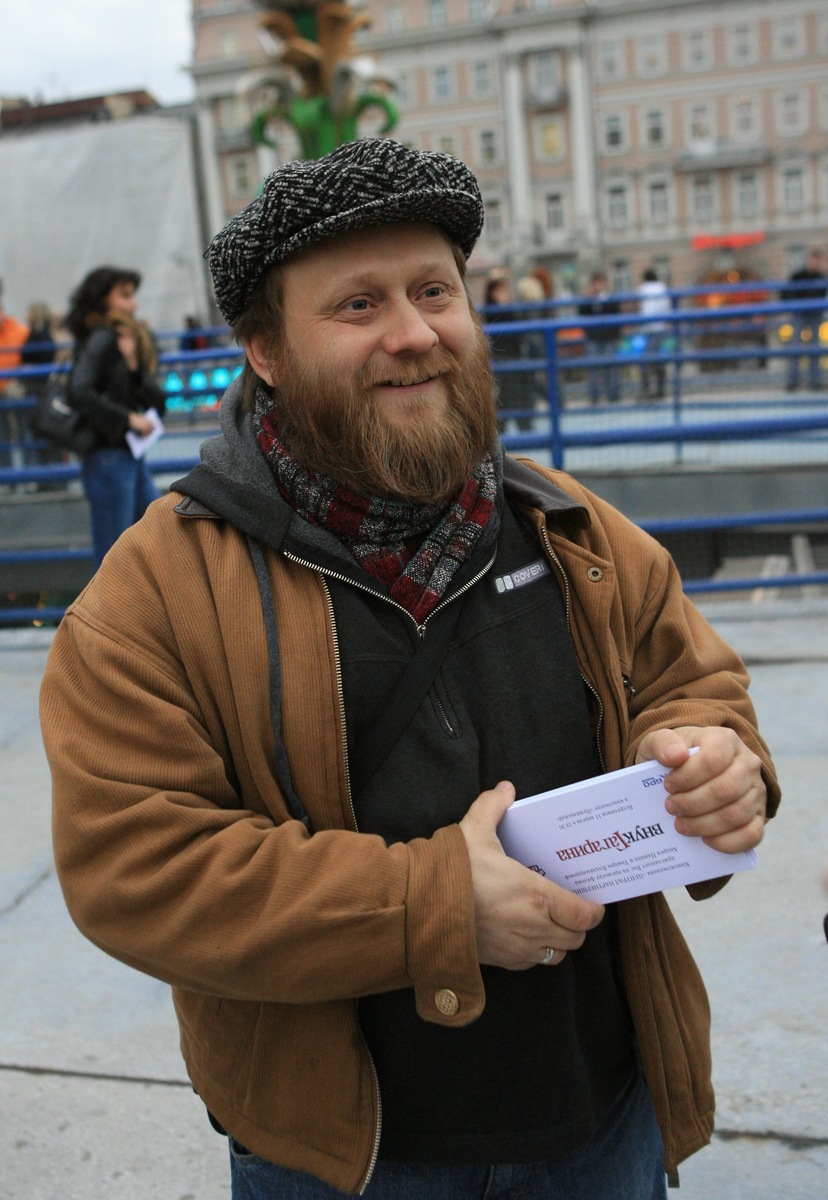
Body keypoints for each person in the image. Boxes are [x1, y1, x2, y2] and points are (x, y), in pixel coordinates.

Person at [41, 139, 779, 1200]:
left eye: (435, 291)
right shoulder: (154, 593)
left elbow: (691, 681)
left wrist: (716, 759)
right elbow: (133, 866)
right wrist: (428, 908)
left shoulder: (569, 524)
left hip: (603, 1118)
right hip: (342, 1160)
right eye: (359, 305)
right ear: (265, 351)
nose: (415, 334)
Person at [64, 266, 166, 567]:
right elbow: (78, 391)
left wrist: (133, 365)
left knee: (155, 540)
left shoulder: (122, 339)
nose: (133, 305)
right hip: (108, 458)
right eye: (124, 296)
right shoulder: (102, 337)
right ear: (103, 299)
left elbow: (157, 401)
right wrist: (127, 419)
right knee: (114, 560)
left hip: (127, 457)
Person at [781, 249, 827, 392]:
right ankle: (792, 381)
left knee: (814, 347)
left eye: (816, 261)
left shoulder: (820, 277)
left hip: (814, 315)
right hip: (800, 314)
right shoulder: (798, 276)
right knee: (796, 346)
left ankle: (814, 380)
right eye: (813, 260)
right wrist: (793, 308)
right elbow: (785, 292)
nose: (814, 263)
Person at [577, 272, 622, 404]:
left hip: (609, 336)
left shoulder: (610, 298)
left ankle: (613, 395)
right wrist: (586, 298)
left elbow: (617, 316)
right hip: (593, 337)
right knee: (593, 368)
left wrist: (616, 335)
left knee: (611, 367)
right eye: (595, 282)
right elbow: (581, 314)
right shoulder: (589, 299)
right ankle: (594, 396)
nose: (597, 285)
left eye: (600, 282)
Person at [636, 267, 671, 400]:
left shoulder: (644, 288)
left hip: (649, 328)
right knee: (657, 359)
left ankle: (647, 389)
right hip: (660, 327)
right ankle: (660, 389)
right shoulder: (662, 288)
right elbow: (667, 307)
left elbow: (638, 303)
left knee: (646, 359)